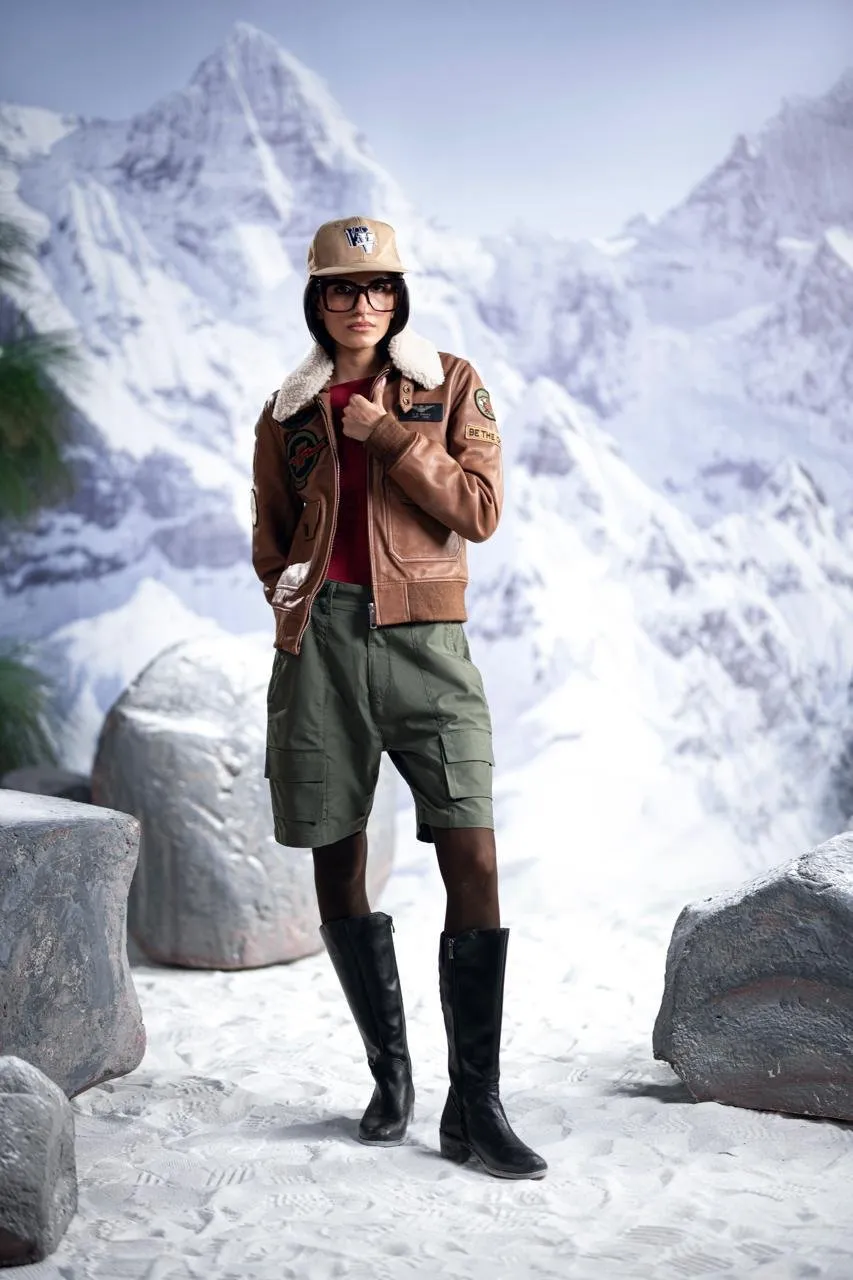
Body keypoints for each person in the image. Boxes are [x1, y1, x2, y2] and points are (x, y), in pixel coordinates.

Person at [251, 215, 547, 1181]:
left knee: (474, 855)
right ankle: (390, 1078)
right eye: (342, 288)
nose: (362, 304)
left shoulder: (448, 384)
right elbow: (271, 532)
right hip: (320, 650)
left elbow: (479, 511)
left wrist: (388, 439)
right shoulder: (287, 410)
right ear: (317, 300)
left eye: (378, 287)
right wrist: (291, 596)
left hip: (427, 644)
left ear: (399, 296)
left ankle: (475, 1105)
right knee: (336, 859)